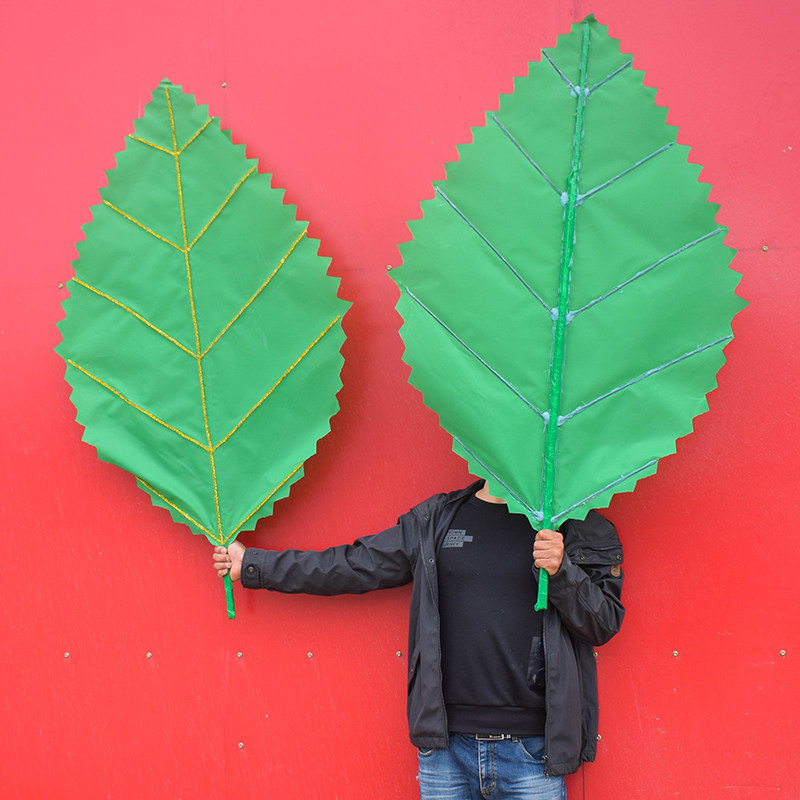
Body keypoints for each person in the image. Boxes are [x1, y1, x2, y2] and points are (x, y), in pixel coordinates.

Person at [213, 478, 624, 800]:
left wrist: (562, 570)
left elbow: (602, 623)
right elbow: (354, 565)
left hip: (534, 754)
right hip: (445, 753)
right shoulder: (437, 519)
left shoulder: (575, 527)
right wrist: (254, 564)